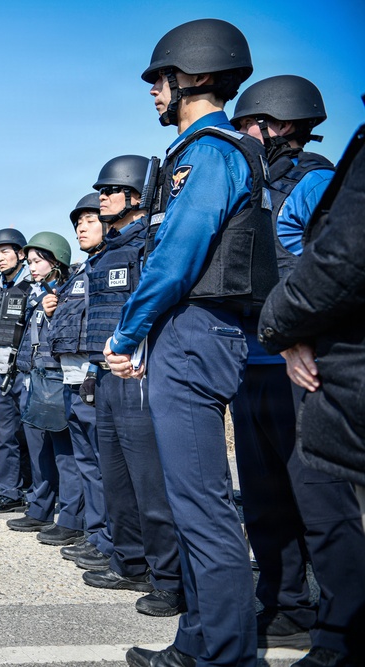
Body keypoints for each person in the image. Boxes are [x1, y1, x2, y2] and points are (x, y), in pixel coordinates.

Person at [105, 20, 277, 667]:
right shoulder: (199, 152)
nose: (153, 89)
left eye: (160, 78)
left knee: (203, 507)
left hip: (193, 332)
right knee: (190, 501)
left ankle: (228, 655)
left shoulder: (209, 152)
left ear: (196, 76)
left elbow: (177, 257)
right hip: (192, 333)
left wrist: (129, 329)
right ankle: (199, 643)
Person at [234, 79, 365, 665]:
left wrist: (300, 336)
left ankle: (343, 631)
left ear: (280, 125)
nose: (241, 138)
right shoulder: (250, 187)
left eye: (249, 126)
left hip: (302, 365)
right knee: (264, 500)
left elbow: (334, 269)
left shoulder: (316, 181)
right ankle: (286, 606)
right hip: (253, 359)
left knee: (322, 505)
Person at [85, 157, 184, 618]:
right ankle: (129, 561)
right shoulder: (108, 250)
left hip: (139, 373)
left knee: (150, 483)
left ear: (136, 197)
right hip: (107, 375)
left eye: (111, 190)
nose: (102, 198)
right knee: (117, 478)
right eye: (101, 191)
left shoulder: (150, 242)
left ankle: (168, 579)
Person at [47, 194, 114, 569]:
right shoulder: (82, 272)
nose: (81, 227)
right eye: (78, 222)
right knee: (87, 460)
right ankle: (96, 532)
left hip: (98, 375)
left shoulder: (111, 266)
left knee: (104, 462)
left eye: (90, 219)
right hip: (73, 377)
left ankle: (110, 538)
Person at [11, 232, 82, 547]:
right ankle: (39, 510)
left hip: (58, 379)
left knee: (65, 454)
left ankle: (70, 519)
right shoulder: (37, 294)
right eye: (30, 262)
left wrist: (56, 312)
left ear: (57, 261)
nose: (33, 268)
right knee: (39, 450)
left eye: (38, 261)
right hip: (35, 378)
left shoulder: (67, 293)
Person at [0, 229, 35, 515]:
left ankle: (40, 492)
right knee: (5, 435)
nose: (0, 258)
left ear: (20, 253)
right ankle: (9, 493)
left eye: (5, 252)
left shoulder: (32, 284)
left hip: (27, 369)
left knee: (35, 434)